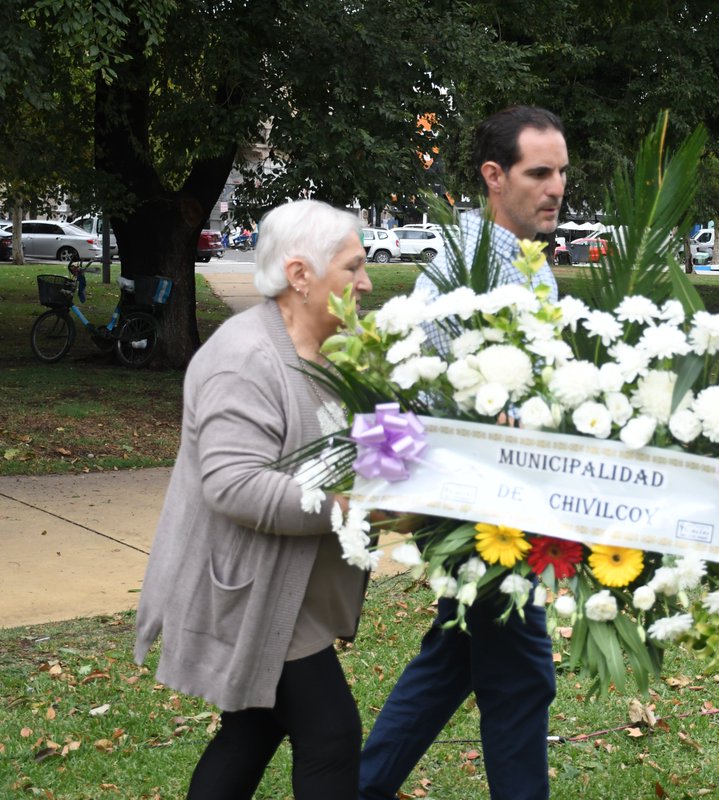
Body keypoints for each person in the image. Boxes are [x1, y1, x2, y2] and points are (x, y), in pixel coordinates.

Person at [358, 105, 568, 800]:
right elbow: (408, 373)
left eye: (561, 172)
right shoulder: (461, 266)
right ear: (493, 176)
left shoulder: (528, 264)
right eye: (539, 173)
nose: (556, 187)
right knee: (522, 676)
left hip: (513, 501)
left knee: (451, 661)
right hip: (481, 509)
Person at [134, 199, 373, 799]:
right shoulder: (244, 358)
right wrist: (348, 508)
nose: (367, 281)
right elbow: (234, 485)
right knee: (331, 735)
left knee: (254, 729)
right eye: (353, 268)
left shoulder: (327, 349)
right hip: (252, 591)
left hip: (287, 589)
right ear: (300, 276)